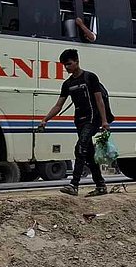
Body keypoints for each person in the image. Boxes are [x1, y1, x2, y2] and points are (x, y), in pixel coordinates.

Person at [37, 48, 110, 197]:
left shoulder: (90, 78)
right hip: (80, 121)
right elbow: (59, 105)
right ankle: (101, 186)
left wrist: (104, 121)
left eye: (69, 64)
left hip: (92, 119)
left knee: (80, 148)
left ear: (77, 61)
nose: (67, 67)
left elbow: (99, 100)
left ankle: (74, 184)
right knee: (88, 154)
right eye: (65, 65)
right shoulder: (67, 84)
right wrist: (45, 119)